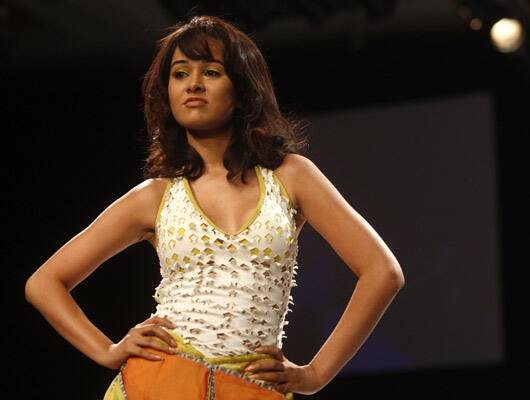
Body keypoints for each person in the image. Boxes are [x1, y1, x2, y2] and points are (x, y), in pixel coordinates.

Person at [24, 15, 405, 399]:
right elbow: (44, 283)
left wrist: (317, 373)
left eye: (211, 71)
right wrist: (107, 351)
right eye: (179, 74)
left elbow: (382, 272)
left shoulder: (291, 176)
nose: (193, 84)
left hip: (253, 388)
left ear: (241, 87)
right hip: (157, 384)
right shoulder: (155, 196)